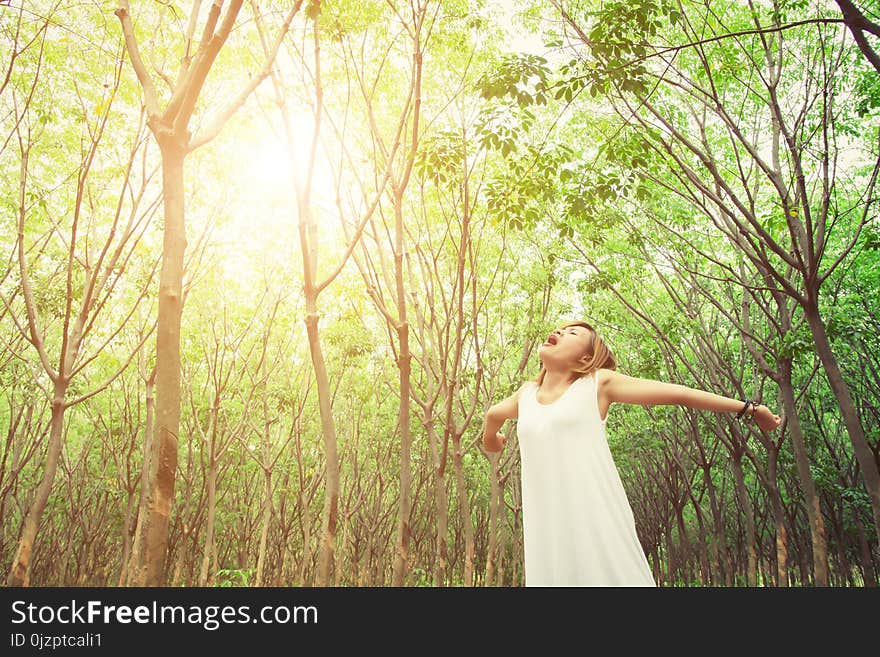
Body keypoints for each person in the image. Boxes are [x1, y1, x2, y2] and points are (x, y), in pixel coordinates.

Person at [482, 320, 783, 587]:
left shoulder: (597, 384)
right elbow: (493, 415)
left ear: (585, 358)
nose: (560, 330)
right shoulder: (525, 395)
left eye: (572, 332)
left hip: (597, 522)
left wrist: (749, 409)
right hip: (548, 533)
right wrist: (492, 440)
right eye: (561, 328)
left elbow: (679, 394)